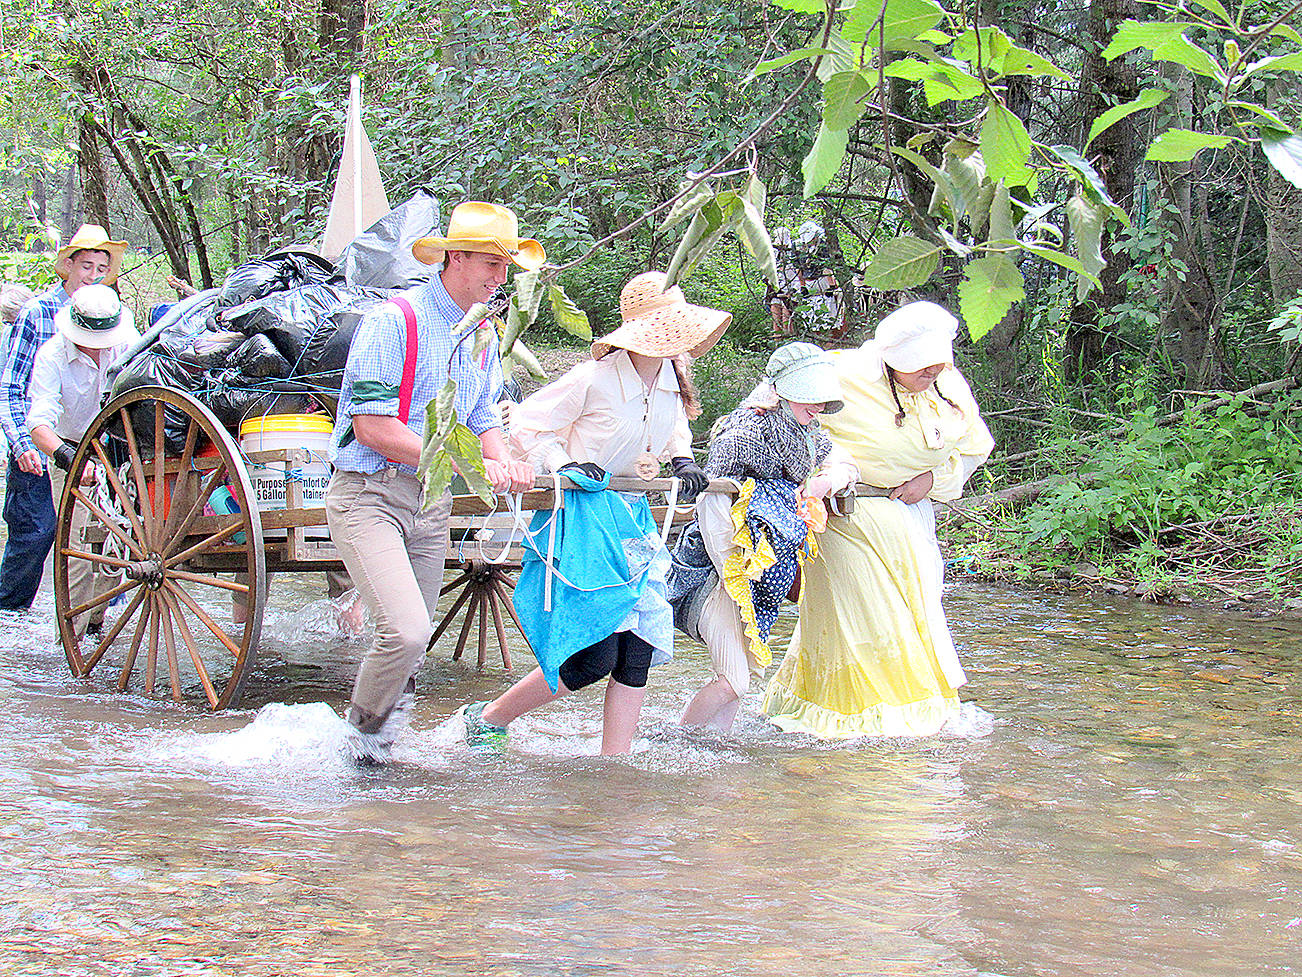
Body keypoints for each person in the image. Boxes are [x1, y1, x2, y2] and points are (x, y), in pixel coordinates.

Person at [459, 271, 728, 755]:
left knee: (637, 649)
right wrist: (565, 462)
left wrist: (683, 459)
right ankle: (489, 717)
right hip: (582, 512)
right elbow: (526, 424)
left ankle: (614, 764)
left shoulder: (671, 380)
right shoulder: (594, 379)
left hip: (633, 516)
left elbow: (670, 432)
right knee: (595, 653)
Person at [326, 201, 538, 763]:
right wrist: (468, 463)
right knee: (407, 632)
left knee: (412, 651)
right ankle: (357, 744)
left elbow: (483, 415)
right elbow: (372, 427)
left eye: (506, 267)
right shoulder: (394, 320)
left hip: (430, 500)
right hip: (369, 497)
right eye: (492, 264)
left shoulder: (486, 334)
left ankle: (383, 754)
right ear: (454, 258)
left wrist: (505, 461)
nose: (500, 277)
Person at [762, 301, 994, 737]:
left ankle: (899, 712)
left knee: (913, 614)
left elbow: (974, 446)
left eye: (939, 365)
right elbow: (771, 413)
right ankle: (863, 719)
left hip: (909, 522)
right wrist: (817, 476)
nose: (933, 374)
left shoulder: (945, 381)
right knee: (865, 617)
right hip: (845, 520)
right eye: (922, 367)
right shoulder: (840, 372)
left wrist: (934, 478)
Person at [668, 342, 858, 733]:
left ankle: (715, 744)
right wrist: (734, 573)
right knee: (734, 679)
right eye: (812, 398)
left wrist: (828, 480)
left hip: (762, 571)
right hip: (719, 570)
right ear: (783, 392)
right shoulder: (743, 432)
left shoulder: (808, 435)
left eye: (823, 400)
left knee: (743, 675)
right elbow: (712, 503)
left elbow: (843, 461)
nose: (818, 407)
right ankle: (673, 740)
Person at [0, 224, 127, 613]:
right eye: (85, 266)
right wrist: (24, 444)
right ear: (68, 265)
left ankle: (95, 617)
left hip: (99, 445)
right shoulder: (40, 318)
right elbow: (12, 390)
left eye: (100, 268)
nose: (92, 274)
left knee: (108, 539)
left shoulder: (114, 319)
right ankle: (11, 615)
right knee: (37, 533)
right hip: (46, 442)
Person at [27, 284, 139, 638]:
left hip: (119, 445)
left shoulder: (125, 342)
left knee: (119, 540)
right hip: (69, 448)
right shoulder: (52, 356)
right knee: (77, 549)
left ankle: (96, 622)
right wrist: (69, 457)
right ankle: (71, 634)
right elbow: (39, 424)